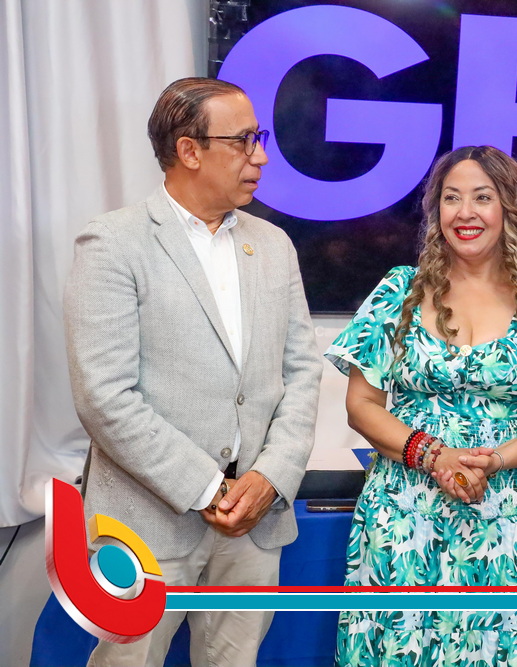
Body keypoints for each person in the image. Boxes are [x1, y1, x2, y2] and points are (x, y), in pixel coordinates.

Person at [64, 77, 323, 667]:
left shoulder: (274, 245)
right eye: (243, 140)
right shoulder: (113, 243)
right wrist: (207, 488)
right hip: (147, 524)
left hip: (254, 522)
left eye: (259, 138)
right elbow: (104, 397)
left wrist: (272, 475)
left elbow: (302, 372)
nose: (260, 156)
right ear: (189, 150)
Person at [326, 145, 517, 666]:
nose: (465, 212)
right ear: (436, 211)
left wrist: (495, 459)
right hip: (406, 515)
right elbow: (360, 404)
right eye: (451, 198)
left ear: (510, 208)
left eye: (482, 197)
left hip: (510, 520)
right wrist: (435, 455)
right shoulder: (398, 292)